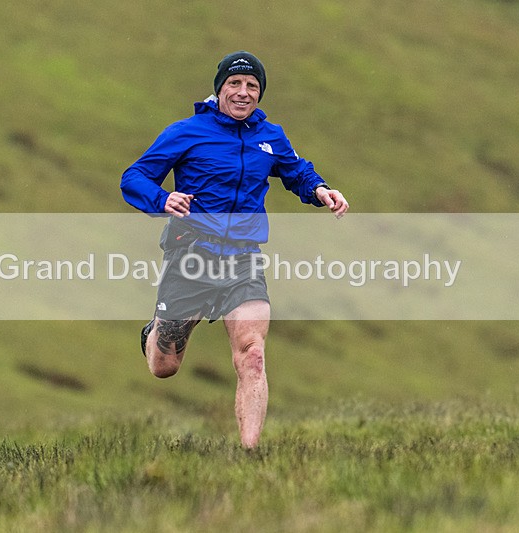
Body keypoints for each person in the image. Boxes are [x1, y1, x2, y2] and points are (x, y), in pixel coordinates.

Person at [120, 51, 349, 448]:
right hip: (191, 253)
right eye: (235, 84)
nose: (243, 93)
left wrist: (319, 190)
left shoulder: (270, 136)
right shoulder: (186, 132)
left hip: (244, 258)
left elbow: (296, 171)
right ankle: (158, 330)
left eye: (252, 87)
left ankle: (249, 456)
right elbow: (134, 176)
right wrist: (162, 199)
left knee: (253, 355)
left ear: (260, 94)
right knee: (164, 366)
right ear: (220, 89)